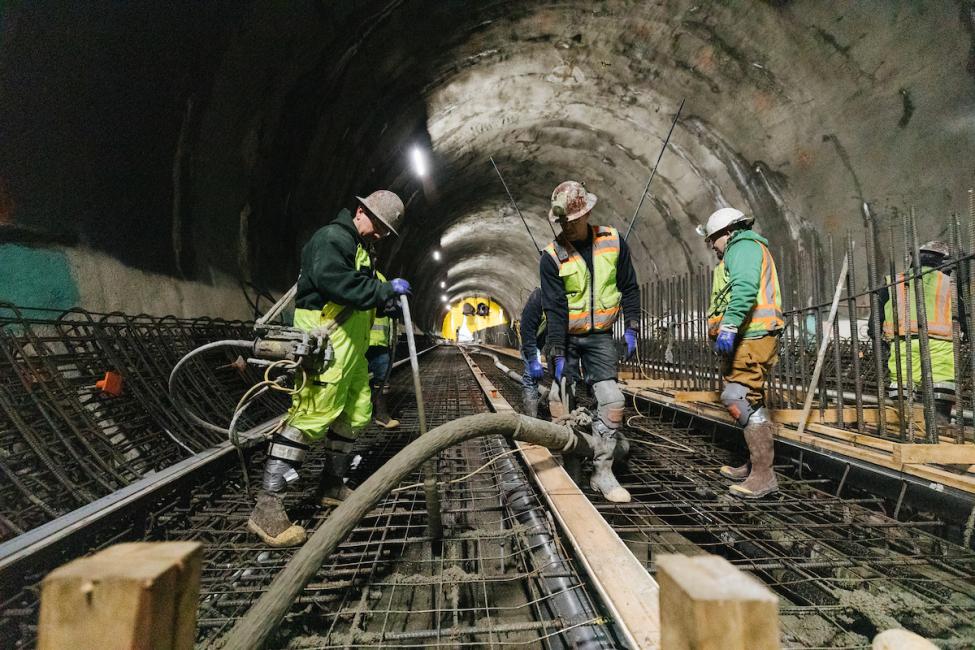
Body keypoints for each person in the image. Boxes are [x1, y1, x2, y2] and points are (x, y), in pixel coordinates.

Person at [247, 190, 411, 547]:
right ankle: (268, 506)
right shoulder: (332, 238)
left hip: (351, 347)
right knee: (310, 414)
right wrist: (382, 293)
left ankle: (332, 484)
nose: (380, 235)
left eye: (386, 232)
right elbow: (335, 282)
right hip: (326, 339)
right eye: (379, 226)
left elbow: (360, 290)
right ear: (360, 211)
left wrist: (383, 304)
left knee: (355, 410)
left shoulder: (361, 247)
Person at [540, 180, 639, 503]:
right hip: (566, 336)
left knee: (612, 400)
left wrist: (633, 326)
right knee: (559, 397)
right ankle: (568, 464)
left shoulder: (613, 242)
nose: (566, 228)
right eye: (561, 223)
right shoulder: (552, 256)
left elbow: (630, 286)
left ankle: (602, 471)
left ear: (587, 213)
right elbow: (554, 308)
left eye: (572, 220)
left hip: (599, 337)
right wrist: (555, 350)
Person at [700, 207, 783, 499]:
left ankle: (765, 475)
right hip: (749, 337)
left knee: (737, 397)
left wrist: (731, 324)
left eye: (714, 240)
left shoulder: (743, 247)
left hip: (753, 335)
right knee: (752, 400)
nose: (713, 247)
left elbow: (745, 288)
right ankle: (755, 465)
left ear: (727, 232)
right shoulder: (743, 248)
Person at [871, 240, 967, 424]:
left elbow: (876, 315)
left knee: (903, 381)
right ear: (944, 261)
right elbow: (963, 313)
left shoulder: (893, 281)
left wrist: (876, 337)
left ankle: (906, 422)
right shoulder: (950, 283)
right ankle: (938, 421)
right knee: (941, 381)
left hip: (903, 341)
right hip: (941, 342)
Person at [367, 270, 400, 429]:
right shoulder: (355, 271)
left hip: (380, 341)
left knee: (382, 381)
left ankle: (381, 414)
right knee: (356, 381)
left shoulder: (381, 277)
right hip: (360, 340)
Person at [519, 288, 547, 417]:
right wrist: (533, 359)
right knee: (531, 377)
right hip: (532, 342)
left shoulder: (565, 297)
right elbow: (527, 331)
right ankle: (531, 418)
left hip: (550, 343)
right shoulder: (538, 297)